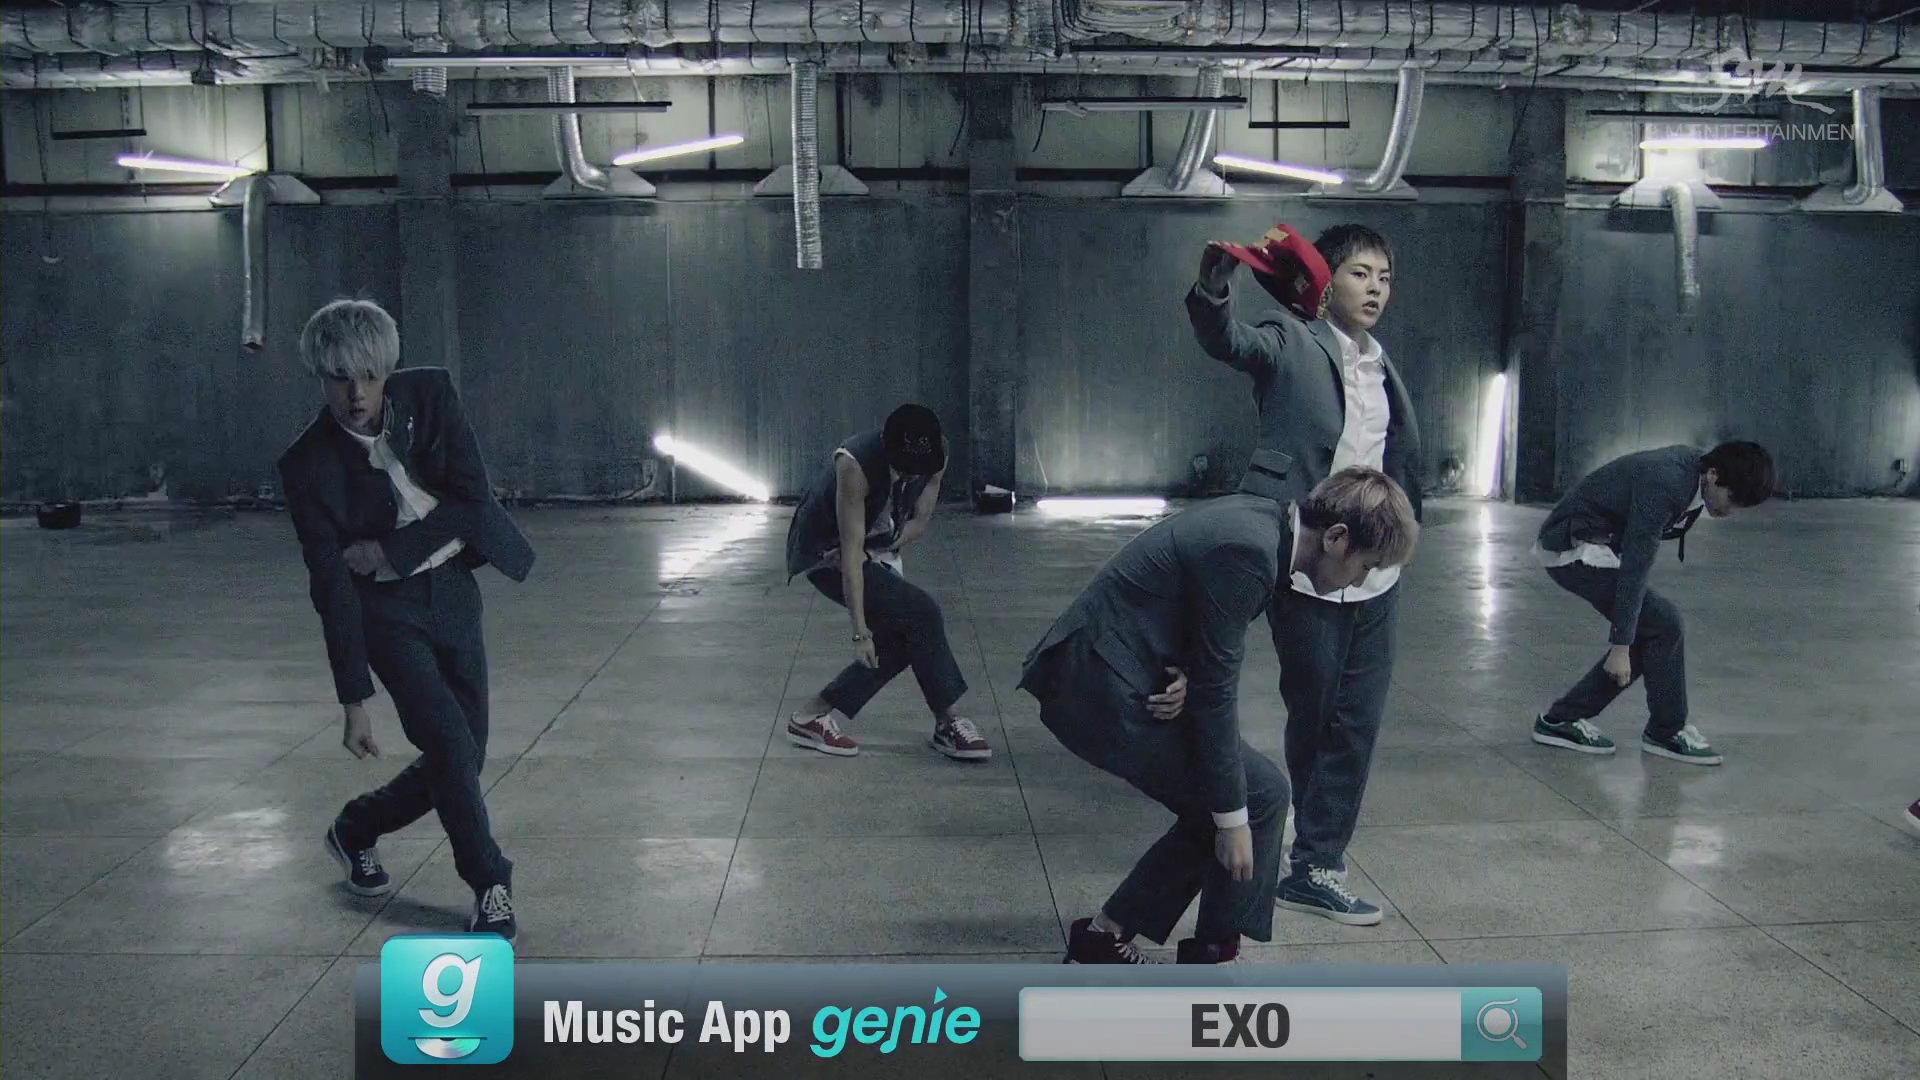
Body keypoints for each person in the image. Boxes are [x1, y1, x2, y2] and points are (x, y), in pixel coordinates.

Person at [1022, 462, 1420, 965]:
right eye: (1366, 565)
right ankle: (1188, 950)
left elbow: (1200, 621)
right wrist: (1231, 822)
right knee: (1248, 801)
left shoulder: (1268, 529)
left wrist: (1186, 671)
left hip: (1126, 671)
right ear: (1337, 537)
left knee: (1260, 794)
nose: (1360, 580)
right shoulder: (1250, 552)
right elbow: (1216, 698)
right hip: (1095, 687)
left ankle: (1163, 940)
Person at [1186, 223, 1424, 927]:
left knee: (1360, 718)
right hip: (1310, 559)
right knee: (1316, 709)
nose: (1375, 288)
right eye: (1360, 273)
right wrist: (1212, 289)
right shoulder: (1290, 340)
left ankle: (1318, 862)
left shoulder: (1382, 364)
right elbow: (1229, 342)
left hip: (1375, 566)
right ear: (1326, 283)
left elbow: (1398, 454)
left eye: (1384, 277)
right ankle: (1309, 832)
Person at [278, 298, 534, 939]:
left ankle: (356, 826)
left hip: (452, 589)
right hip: (384, 613)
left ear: (387, 371)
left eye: (369, 376)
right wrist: (354, 699)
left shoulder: (432, 396)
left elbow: (473, 499)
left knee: (466, 755)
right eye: (340, 378)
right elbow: (330, 585)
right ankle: (490, 881)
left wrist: (392, 551)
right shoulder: (306, 465)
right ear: (320, 377)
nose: (356, 394)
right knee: (448, 745)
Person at [1529, 442, 1776, 765]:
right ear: (1714, 475)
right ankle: (1662, 730)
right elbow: (1636, 564)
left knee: (1656, 627)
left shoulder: (1695, 472)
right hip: (1574, 548)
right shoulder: (1667, 484)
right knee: (1662, 624)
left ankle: (1567, 719)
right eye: (1731, 499)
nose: (1730, 511)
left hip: (1600, 542)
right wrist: (1620, 646)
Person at [783, 404, 990, 761]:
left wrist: (882, 547)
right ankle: (947, 721)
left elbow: (919, 522)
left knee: (903, 636)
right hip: (827, 551)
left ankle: (811, 716)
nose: (912, 476)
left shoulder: (936, 456)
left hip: (876, 542)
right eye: (905, 468)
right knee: (922, 613)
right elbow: (850, 552)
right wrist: (860, 632)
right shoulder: (854, 464)